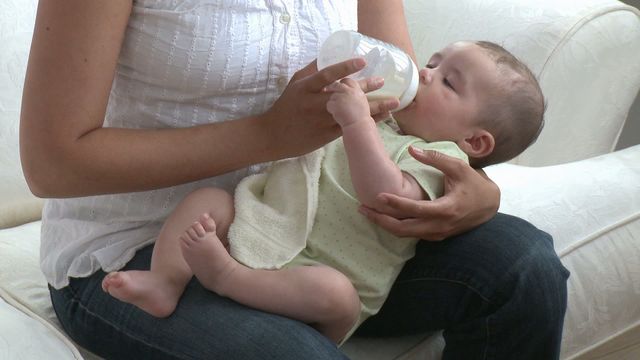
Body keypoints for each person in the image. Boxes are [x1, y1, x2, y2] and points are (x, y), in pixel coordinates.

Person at [19, 1, 569, 359]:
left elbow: (401, 97)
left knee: (524, 266)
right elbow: (51, 164)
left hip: (328, 230)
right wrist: (266, 134)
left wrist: (477, 192)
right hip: (142, 243)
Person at [100, 39, 546, 345]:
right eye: (432, 62)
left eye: (448, 82)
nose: (425, 75)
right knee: (208, 203)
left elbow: (387, 196)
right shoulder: (384, 116)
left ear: (474, 143)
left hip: (328, 272)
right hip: (270, 224)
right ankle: (164, 280)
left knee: (335, 294)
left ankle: (227, 278)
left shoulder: (437, 156)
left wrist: (355, 123)